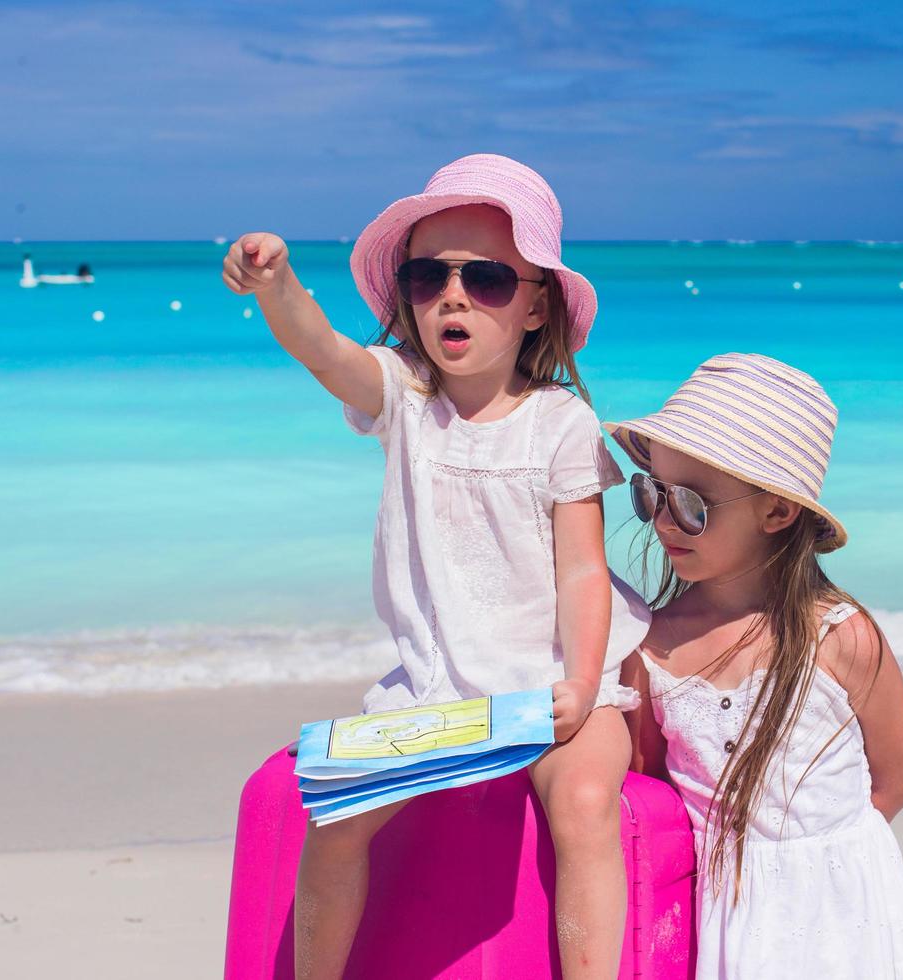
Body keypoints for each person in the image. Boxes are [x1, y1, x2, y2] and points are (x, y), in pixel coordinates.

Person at [221, 154, 650, 980]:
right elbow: (325, 352)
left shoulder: (559, 422)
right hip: (439, 689)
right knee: (336, 816)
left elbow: (583, 573)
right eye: (428, 275)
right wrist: (276, 288)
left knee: (588, 804)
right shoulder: (406, 397)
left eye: (487, 278)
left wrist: (585, 682)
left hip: (556, 682)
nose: (452, 295)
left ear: (536, 305)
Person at [614, 353, 903, 978]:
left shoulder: (838, 637)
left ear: (777, 512)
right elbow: (650, 787)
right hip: (723, 908)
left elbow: (895, 779)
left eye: (692, 504)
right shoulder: (654, 649)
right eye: (651, 493)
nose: (661, 520)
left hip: (844, 910)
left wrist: (818, 860)